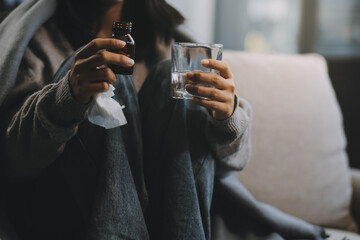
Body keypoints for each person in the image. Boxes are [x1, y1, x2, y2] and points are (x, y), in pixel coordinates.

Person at [0, 0, 252, 239]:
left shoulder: (170, 40)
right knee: (108, 71)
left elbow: (231, 163)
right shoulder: (37, 39)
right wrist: (67, 96)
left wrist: (226, 116)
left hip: (169, 218)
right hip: (74, 217)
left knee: (174, 76)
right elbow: (11, 156)